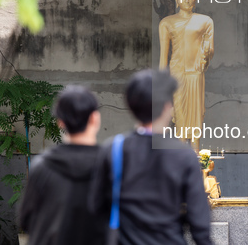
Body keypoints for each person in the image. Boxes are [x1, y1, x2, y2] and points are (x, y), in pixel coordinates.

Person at [89, 70, 212, 245]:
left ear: (131, 106)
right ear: (167, 106)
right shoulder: (184, 155)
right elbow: (199, 223)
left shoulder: (113, 149)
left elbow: (97, 207)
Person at [19, 85, 107, 245]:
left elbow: (26, 220)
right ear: (95, 118)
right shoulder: (112, 166)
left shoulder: (42, 167)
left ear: (60, 122)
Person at [159, 0, 214, 150]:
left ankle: (198, 157)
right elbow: (162, 59)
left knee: (196, 116)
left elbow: (210, 49)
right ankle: (181, 157)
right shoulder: (167, 22)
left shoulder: (205, 21)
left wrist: (205, 54)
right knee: (180, 116)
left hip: (195, 74)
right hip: (176, 74)